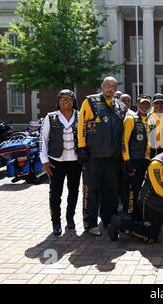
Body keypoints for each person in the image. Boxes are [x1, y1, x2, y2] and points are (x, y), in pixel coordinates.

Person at [77, 76, 127, 236]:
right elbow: (82, 125)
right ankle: (90, 223)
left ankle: (108, 221)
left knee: (111, 192)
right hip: (94, 156)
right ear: (102, 86)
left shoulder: (120, 106)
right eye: (107, 85)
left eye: (113, 86)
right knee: (91, 191)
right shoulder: (90, 101)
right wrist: (82, 147)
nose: (110, 88)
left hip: (113, 157)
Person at [40, 89, 82, 236]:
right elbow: (43, 141)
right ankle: (56, 222)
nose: (66, 101)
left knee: (74, 191)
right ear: (58, 101)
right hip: (56, 161)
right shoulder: (50, 117)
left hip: (75, 161)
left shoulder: (80, 115)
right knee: (55, 192)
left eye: (69, 98)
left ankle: (70, 218)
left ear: (73, 101)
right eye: (63, 98)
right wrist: (44, 161)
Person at [122, 94, 152, 220]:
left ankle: (139, 212)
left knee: (142, 188)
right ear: (137, 104)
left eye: (147, 103)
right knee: (132, 189)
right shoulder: (130, 119)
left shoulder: (151, 120)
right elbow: (123, 141)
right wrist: (127, 161)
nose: (144, 106)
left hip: (147, 160)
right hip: (134, 160)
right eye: (142, 103)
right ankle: (130, 213)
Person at [147, 93, 163, 159]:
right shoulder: (148, 116)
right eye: (156, 103)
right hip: (151, 150)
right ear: (152, 104)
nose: (159, 105)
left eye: (161, 103)